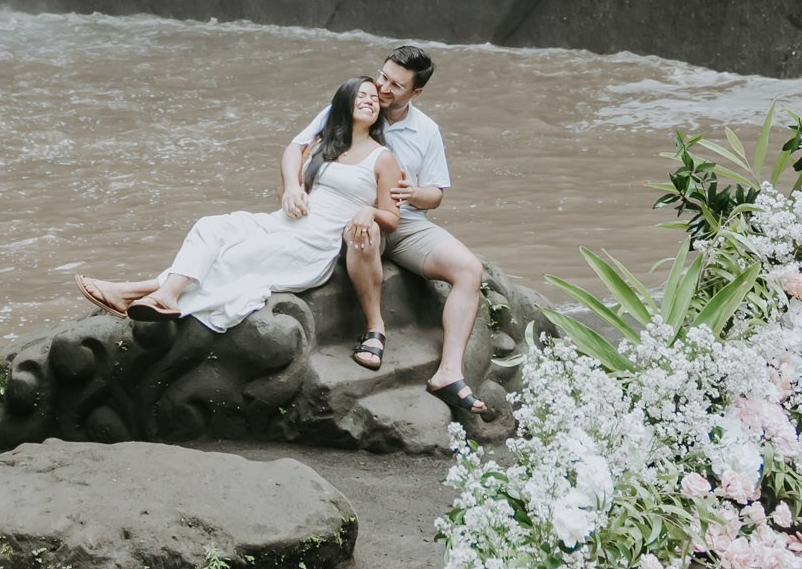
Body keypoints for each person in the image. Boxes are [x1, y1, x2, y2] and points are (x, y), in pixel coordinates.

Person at [76, 76, 401, 331]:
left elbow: (391, 216)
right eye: (362, 96)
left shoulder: (382, 158)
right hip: (283, 223)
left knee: (236, 257)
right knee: (212, 226)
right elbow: (291, 158)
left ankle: (137, 292)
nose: (370, 102)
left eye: (375, 99)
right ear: (345, 103)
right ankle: (164, 295)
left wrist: (369, 211)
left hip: (316, 243)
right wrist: (293, 189)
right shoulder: (322, 145)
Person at [281, 43, 495, 421]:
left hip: (407, 223)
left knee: (469, 270)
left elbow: (436, 195)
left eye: (396, 86)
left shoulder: (426, 130)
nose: (382, 88)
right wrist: (293, 187)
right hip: (358, 217)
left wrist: (415, 193)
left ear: (416, 93)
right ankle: (374, 330)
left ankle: (448, 372)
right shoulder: (354, 104)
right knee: (361, 233)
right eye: (382, 77)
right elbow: (297, 148)